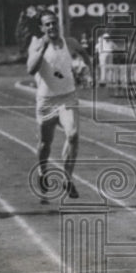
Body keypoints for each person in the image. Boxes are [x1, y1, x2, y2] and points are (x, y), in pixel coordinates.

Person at [28, 11, 81, 199]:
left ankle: (67, 179)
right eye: (47, 24)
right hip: (46, 101)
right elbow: (30, 69)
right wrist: (42, 50)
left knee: (73, 135)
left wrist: (90, 72)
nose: (51, 27)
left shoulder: (70, 42)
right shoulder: (36, 44)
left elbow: (84, 53)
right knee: (45, 143)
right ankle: (43, 172)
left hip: (67, 97)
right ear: (42, 28)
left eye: (54, 23)